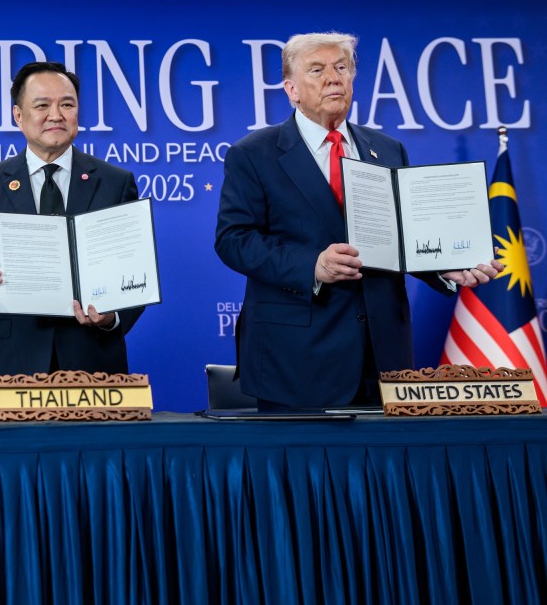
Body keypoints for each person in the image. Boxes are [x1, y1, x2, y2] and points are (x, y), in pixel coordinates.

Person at [215, 32, 501, 410]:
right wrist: (312, 265)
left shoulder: (386, 149)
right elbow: (234, 239)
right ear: (291, 89)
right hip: (297, 360)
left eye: (342, 68)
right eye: (317, 70)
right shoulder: (253, 154)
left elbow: (402, 237)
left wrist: (447, 266)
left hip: (384, 356)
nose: (334, 78)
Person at [0, 61, 144, 414]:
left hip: (94, 363)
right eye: (42, 105)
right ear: (18, 116)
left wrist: (112, 316)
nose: (56, 114)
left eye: (67, 104)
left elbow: (135, 275)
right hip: (13, 366)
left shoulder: (116, 182)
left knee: (96, 467)